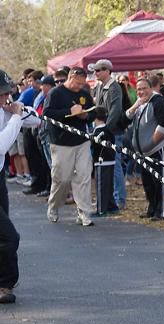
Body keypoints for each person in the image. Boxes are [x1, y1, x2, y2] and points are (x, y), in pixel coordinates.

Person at [0, 69, 40, 303]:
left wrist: (17, 111)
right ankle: (5, 284)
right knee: (9, 237)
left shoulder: (6, 108)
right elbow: (2, 145)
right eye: (3, 93)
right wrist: (15, 117)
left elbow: (36, 118)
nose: (7, 97)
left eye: (8, 93)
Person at [43, 67, 96, 226]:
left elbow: (92, 114)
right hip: (61, 142)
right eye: (77, 83)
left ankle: (84, 212)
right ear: (70, 77)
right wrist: (68, 111)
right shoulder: (56, 93)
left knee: (84, 176)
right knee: (62, 178)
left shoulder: (84, 94)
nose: (79, 87)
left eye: (82, 84)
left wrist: (85, 115)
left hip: (82, 141)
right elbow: (47, 113)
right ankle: (54, 206)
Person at [126, 78, 164, 220]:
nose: (141, 92)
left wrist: (151, 143)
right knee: (148, 183)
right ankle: (152, 208)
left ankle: (162, 212)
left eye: (144, 88)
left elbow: (163, 125)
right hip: (142, 152)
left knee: (160, 181)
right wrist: (135, 106)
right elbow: (125, 118)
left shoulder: (158, 102)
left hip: (157, 148)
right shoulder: (140, 104)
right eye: (138, 89)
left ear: (151, 88)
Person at [90, 59, 126, 210]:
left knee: (116, 165)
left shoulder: (114, 87)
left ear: (107, 70)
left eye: (99, 70)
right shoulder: (99, 87)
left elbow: (115, 110)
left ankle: (120, 198)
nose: (96, 73)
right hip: (102, 131)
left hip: (112, 133)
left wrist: (106, 130)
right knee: (105, 165)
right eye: (95, 70)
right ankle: (108, 197)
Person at [91, 106, 119, 217]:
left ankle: (101, 209)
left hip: (101, 162)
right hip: (110, 161)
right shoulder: (108, 130)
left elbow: (94, 146)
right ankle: (112, 206)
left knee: (101, 186)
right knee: (109, 186)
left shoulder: (99, 132)